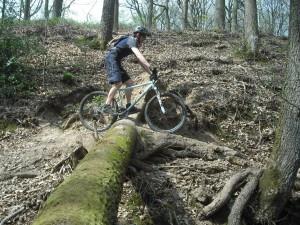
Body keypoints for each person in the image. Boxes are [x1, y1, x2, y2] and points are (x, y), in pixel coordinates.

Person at [103, 26, 152, 114]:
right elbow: (139, 55)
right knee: (118, 83)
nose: (144, 39)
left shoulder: (134, 43)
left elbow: (139, 61)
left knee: (129, 83)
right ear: (138, 35)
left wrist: (150, 73)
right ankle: (106, 106)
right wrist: (149, 65)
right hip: (111, 58)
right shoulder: (131, 40)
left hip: (116, 61)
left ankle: (129, 106)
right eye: (144, 36)